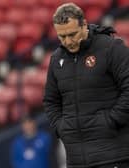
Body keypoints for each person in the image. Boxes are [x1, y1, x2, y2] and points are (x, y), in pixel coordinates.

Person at [43, 3, 129, 168]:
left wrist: (111, 121)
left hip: (114, 157)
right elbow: (50, 101)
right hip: (77, 161)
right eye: (62, 36)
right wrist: (62, 127)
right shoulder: (56, 59)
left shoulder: (111, 48)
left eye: (72, 34)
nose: (68, 41)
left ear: (84, 25)